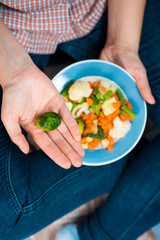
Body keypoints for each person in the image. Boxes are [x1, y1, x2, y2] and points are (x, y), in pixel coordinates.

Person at [0, 0, 160, 239]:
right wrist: (13, 70)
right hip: (11, 33)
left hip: (99, 9)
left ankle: (97, 234)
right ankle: (139, 168)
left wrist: (123, 43)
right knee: (6, 218)